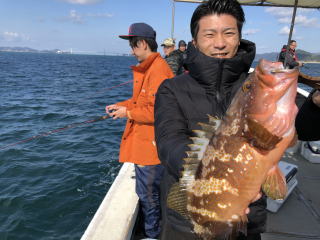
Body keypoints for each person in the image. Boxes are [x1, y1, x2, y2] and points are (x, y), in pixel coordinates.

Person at [154, 0, 266, 239]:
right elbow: (168, 142)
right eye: (209, 34)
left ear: (239, 37)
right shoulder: (171, 89)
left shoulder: (257, 88)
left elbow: (302, 130)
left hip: (246, 213)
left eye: (229, 33)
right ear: (195, 41)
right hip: (189, 218)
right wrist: (218, 172)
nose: (220, 43)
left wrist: (315, 107)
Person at [105, 22, 174, 239]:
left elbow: (157, 111)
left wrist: (127, 113)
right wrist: (123, 105)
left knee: (148, 196)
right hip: (145, 145)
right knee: (148, 193)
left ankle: (153, 235)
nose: (131, 50)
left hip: (150, 150)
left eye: (133, 45)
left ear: (143, 43)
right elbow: (140, 101)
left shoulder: (158, 71)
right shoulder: (151, 67)